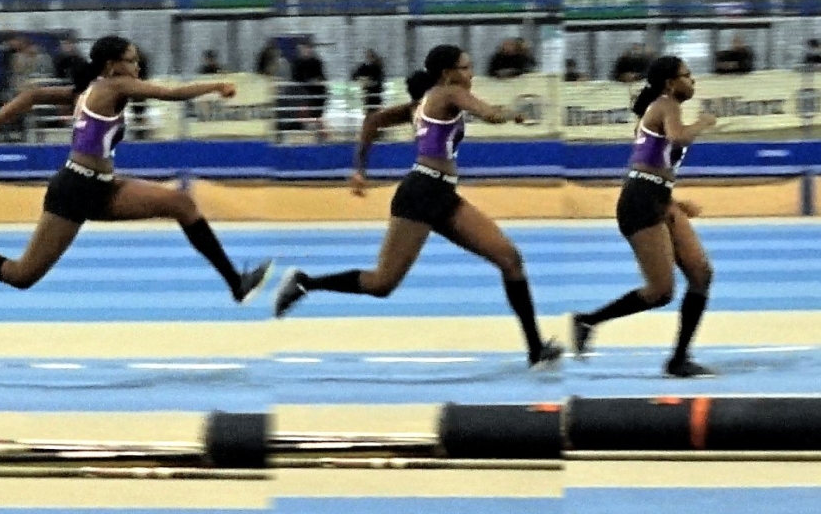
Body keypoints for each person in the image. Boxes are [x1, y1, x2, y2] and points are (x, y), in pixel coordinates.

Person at [0, 36, 273, 306]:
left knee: (181, 203)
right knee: (22, 275)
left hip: (102, 187)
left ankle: (236, 283)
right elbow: (171, 94)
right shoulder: (116, 85)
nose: (137, 67)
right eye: (132, 61)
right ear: (113, 66)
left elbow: (31, 96)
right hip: (76, 190)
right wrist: (216, 85)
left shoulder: (87, 90)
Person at [272, 45, 561, 367]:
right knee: (382, 283)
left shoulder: (421, 103)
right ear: (447, 73)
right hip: (421, 193)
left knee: (510, 259)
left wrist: (360, 170)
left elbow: (373, 121)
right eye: (466, 67)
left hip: (441, 194)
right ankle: (305, 282)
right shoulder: (450, 92)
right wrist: (513, 112)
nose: (471, 74)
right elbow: (490, 114)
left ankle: (536, 350)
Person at [568, 57, 720, 378]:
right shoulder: (666, 104)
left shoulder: (660, 108)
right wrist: (703, 123)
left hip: (657, 198)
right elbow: (677, 138)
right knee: (661, 291)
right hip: (641, 202)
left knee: (701, 273)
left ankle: (679, 359)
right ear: (669, 83)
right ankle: (588, 321)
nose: (692, 81)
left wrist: (673, 201)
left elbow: (651, 166)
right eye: (687, 76)